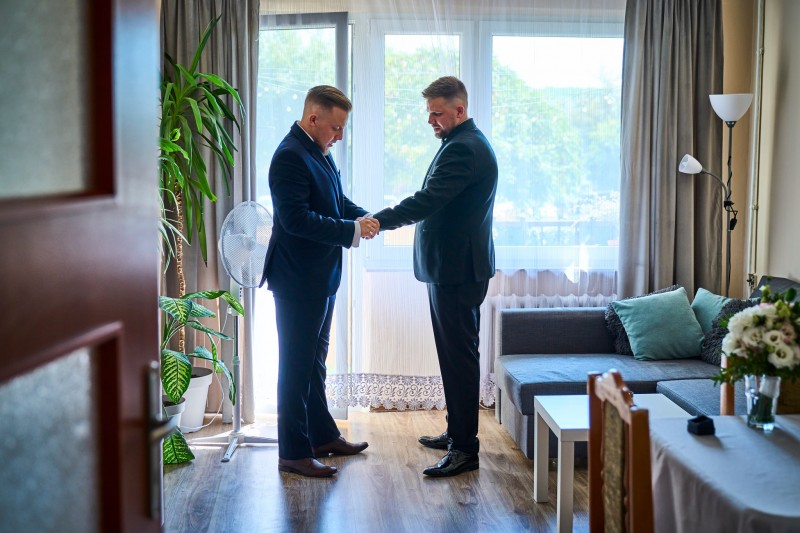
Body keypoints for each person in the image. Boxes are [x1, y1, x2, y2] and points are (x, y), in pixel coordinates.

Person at [372, 76, 498, 477]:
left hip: (457, 271)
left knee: (459, 359)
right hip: (452, 269)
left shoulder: (464, 148)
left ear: (459, 110)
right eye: (429, 113)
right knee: (454, 356)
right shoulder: (460, 142)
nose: (431, 120)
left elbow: (428, 200)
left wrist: (378, 221)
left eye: (437, 113)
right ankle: (457, 432)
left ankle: (465, 448)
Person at [260, 85, 378, 478]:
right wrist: (351, 230)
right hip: (297, 280)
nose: (340, 136)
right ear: (313, 119)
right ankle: (293, 453)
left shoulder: (318, 151)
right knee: (295, 368)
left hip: (321, 277)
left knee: (314, 365)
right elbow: (297, 220)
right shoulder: (289, 156)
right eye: (336, 127)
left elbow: (336, 202)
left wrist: (367, 218)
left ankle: (322, 436)